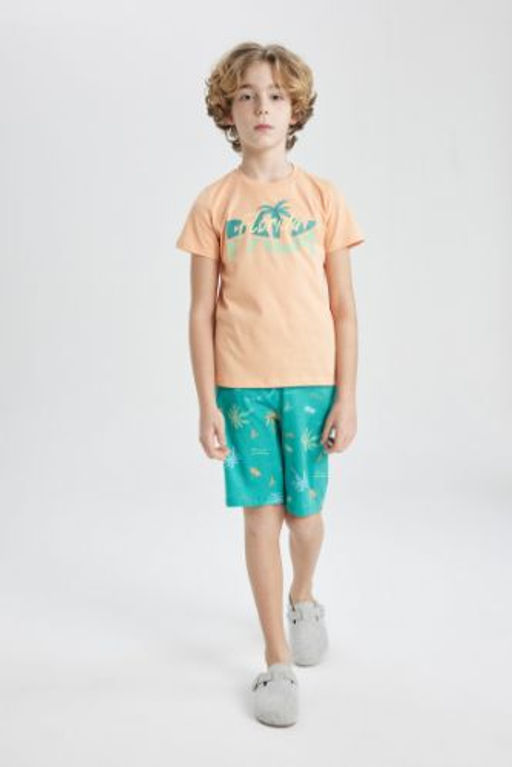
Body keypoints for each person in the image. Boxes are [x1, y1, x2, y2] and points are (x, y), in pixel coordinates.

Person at [175, 41, 365, 726]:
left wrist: (347, 395)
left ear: (296, 110)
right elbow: (200, 312)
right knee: (262, 518)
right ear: (228, 111)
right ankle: (276, 661)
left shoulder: (323, 198)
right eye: (248, 95)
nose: (262, 107)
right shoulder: (214, 203)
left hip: (313, 384)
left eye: (276, 96)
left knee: (305, 519)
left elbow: (344, 306)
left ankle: (303, 594)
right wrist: (207, 403)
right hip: (242, 388)